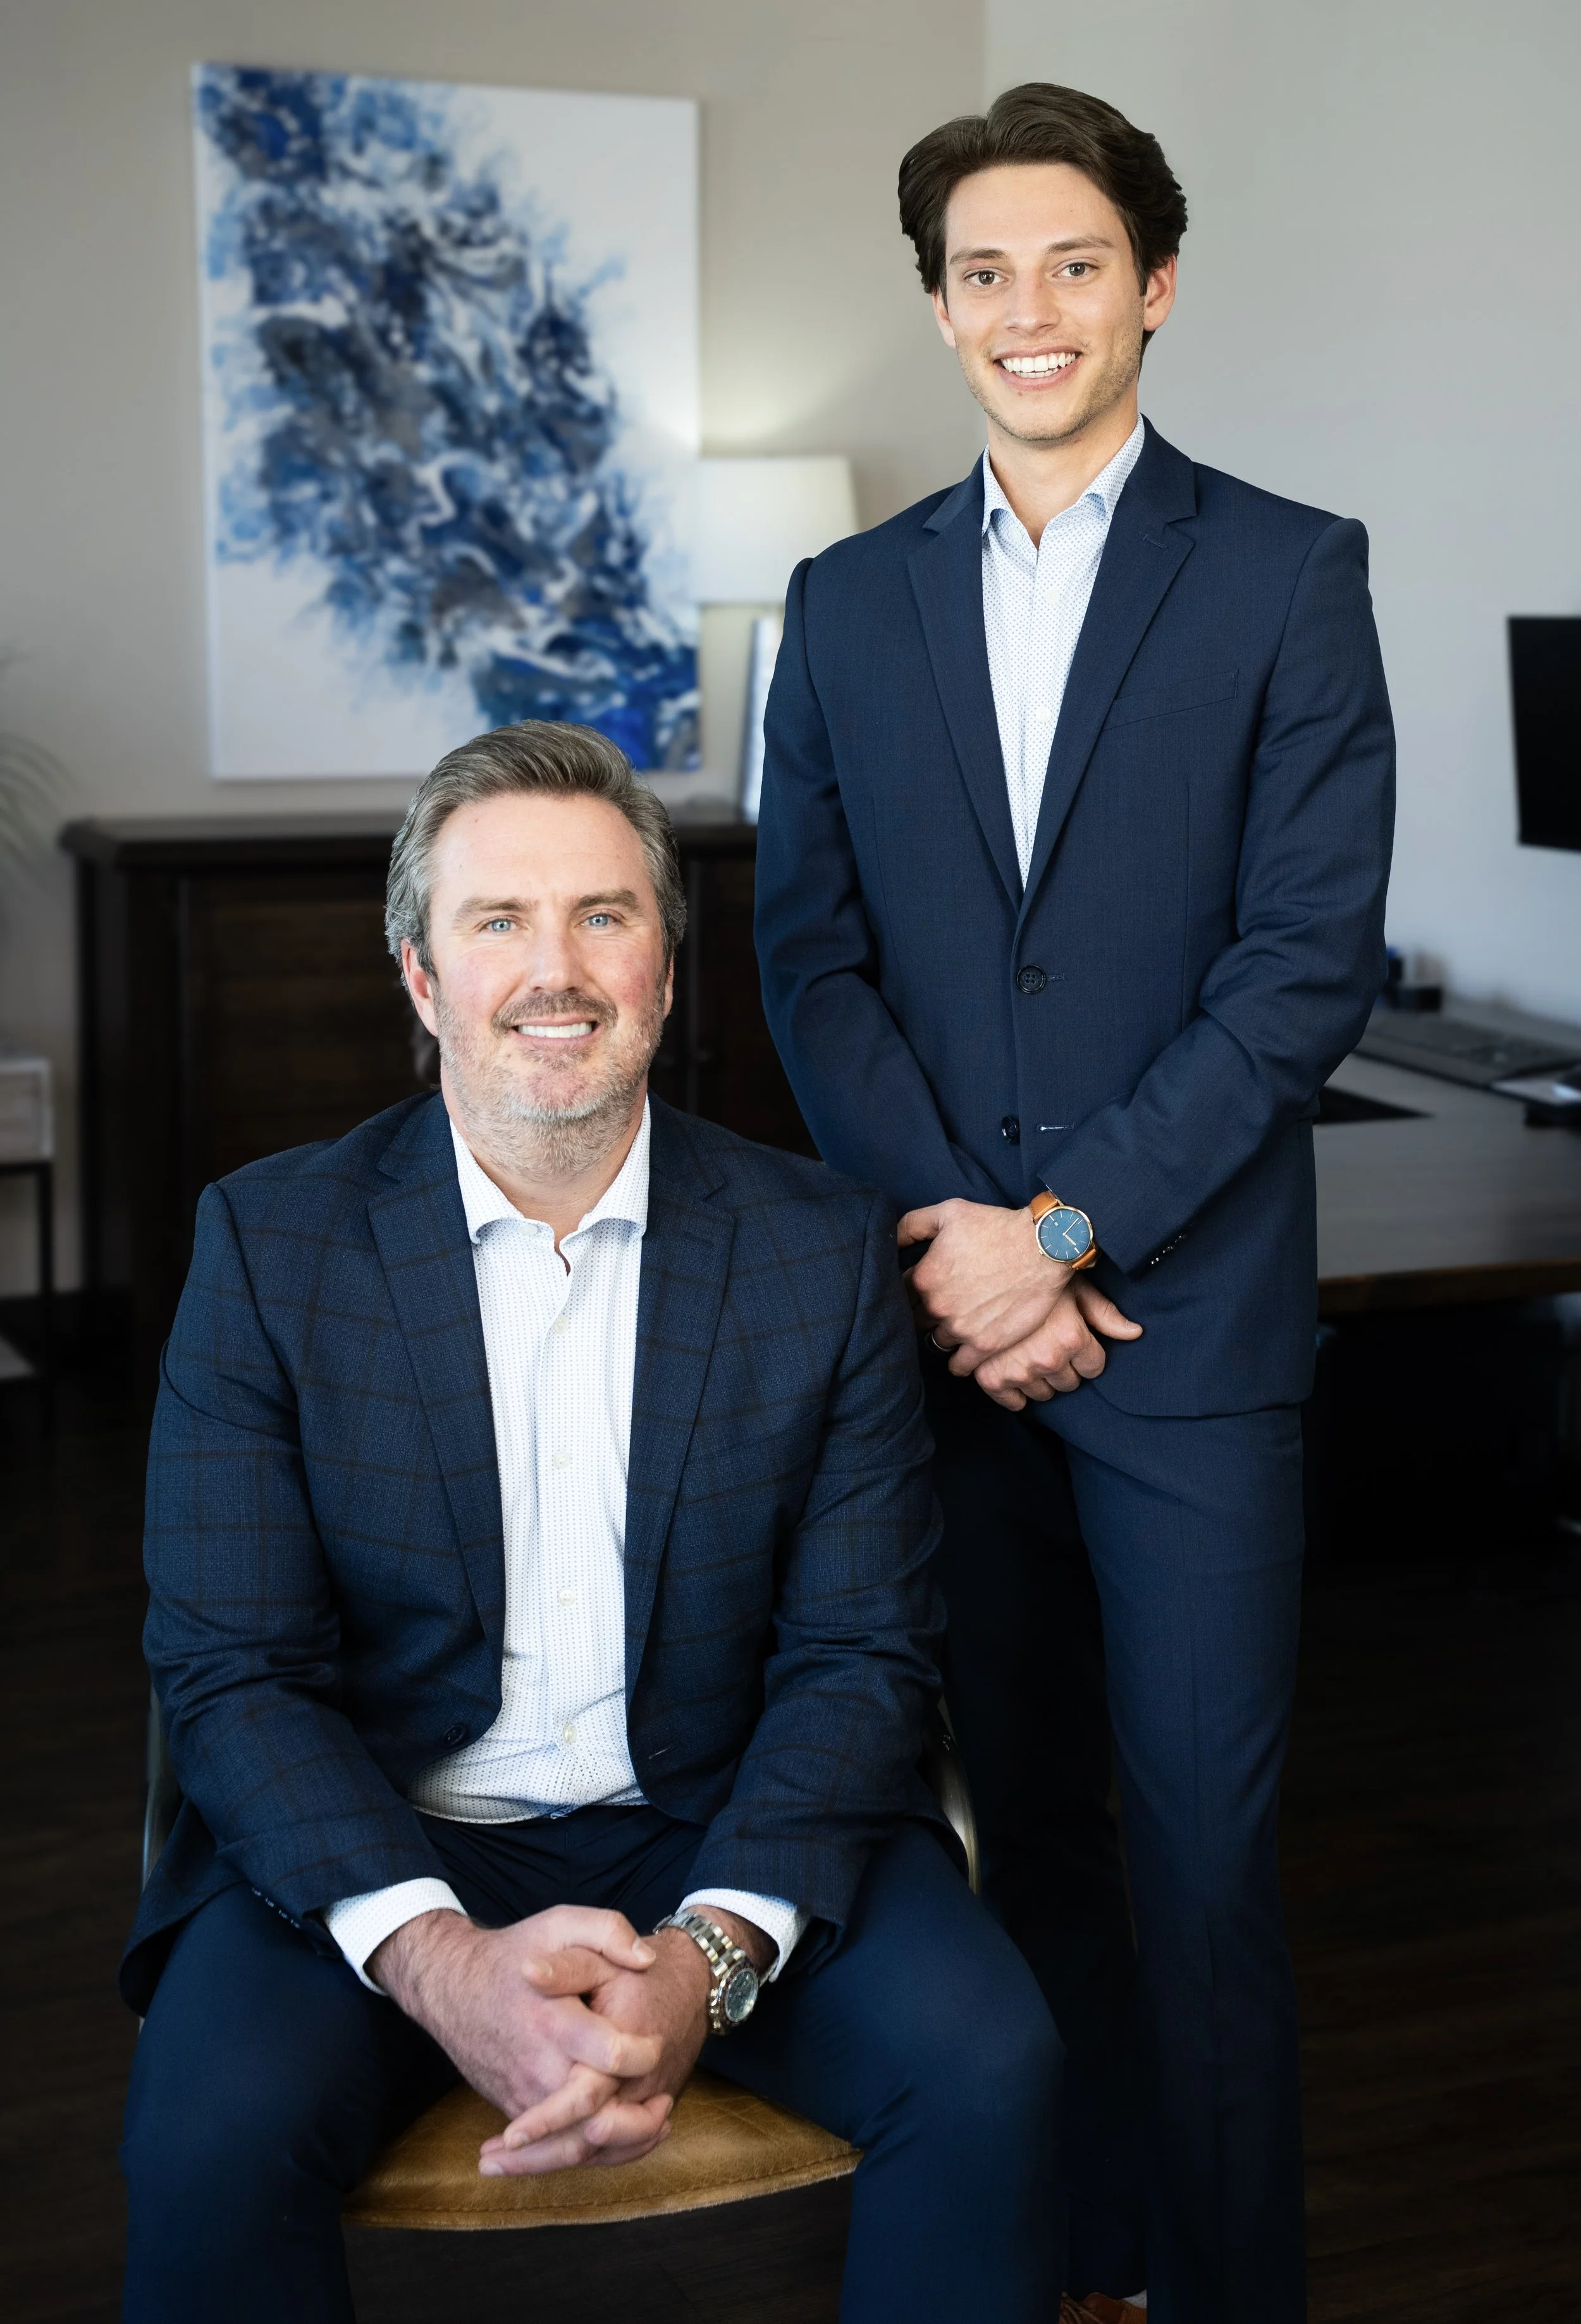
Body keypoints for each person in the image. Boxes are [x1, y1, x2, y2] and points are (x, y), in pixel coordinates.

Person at [119, 720, 1065, 2324]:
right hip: (382, 1832)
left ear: (667, 972)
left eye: (603, 917)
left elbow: (859, 1653)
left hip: (718, 1812)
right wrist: (436, 1958)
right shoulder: (269, 1247)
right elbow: (234, 1674)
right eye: (499, 922)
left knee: (993, 2070)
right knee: (207, 2138)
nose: (553, 972)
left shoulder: (812, 1249)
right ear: (422, 977)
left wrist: (708, 1955)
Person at [754, 81, 1396, 2323]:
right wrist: (959, 1234)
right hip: (942, 1342)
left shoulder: (1293, 571)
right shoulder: (839, 608)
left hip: (1184, 1340)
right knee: (1018, 1845)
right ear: (939, 310)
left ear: (1159, 285)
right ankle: (1079, 2267)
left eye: (1077, 262)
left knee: (1204, 1865)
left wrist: (1069, 1228)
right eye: (985, 271)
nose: (1032, 308)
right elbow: (808, 962)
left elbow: (1306, 962)